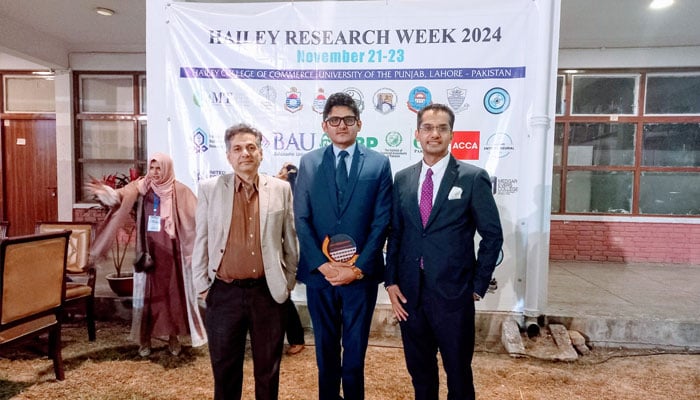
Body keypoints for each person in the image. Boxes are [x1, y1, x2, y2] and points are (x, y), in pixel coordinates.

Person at [385, 103, 504, 400]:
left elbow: (492, 235)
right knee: (420, 373)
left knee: (459, 374)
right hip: (411, 295)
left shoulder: (472, 178)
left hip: (454, 296)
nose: (434, 134)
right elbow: (396, 233)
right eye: (427, 128)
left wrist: (477, 286)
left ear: (452, 134)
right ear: (417, 134)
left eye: (441, 128)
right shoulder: (402, 179)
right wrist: (390, 282)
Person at [294, 92, 393, 400]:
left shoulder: (378, 164)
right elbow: (301, 218)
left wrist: (357, 268)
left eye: (348, 120)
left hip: (358, 278)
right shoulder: (309, 164)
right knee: (324, 348)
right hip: (320, 276)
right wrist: (322, 264)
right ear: (325, 126)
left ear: (359, 124)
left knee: (354, 350)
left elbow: (381, 222)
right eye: (334, 120)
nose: (341, 125)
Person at [191, 123, 299, 400]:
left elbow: (291, 240)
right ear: (228, 156)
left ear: (261, 153)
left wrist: (286, 283)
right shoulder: (209, 189)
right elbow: (200, 240)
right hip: (223, 293)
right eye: (237, 149)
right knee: (225, 371)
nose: (245, 154)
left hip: (268, 294)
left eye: (251, 147)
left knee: (268, 370)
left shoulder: (280, 189)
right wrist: (203, 286)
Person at [88, 153, 207, 357]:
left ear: (167, 169)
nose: (154, 173)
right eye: (152, 168)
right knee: (147, 298)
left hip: (173, 254)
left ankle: (173, 338)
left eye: (159, 168)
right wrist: (104, 192)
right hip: (149, 253)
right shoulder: (141, 187)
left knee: (173, 296)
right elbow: (118, 196)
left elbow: (199, 216)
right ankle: (145, 340)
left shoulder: (179, 190)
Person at [275, 162, 305, 356]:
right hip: (272, 251)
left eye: (282, 172)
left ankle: (296, 338)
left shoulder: (292, 195)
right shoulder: (272, 191)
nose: (278, 175)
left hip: (284, 251)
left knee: (283, 298)